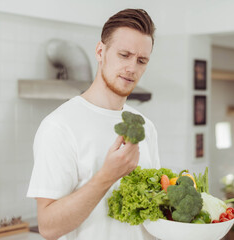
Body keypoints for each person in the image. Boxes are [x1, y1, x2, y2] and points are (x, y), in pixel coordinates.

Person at [27, 8, 160, 240]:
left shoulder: (146, 127)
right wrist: (107, 175)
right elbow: (48, 227)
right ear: (100, 51)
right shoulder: (59, 126)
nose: (132, 68)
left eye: (141, 60)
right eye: (124, 55)